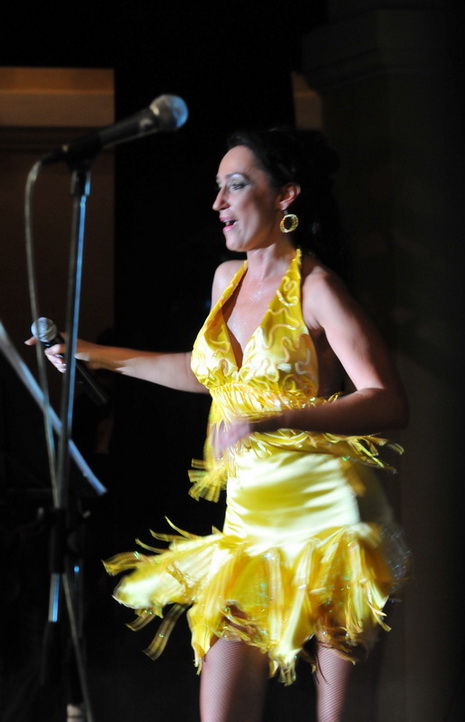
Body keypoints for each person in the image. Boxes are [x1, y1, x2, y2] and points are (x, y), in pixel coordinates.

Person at [26, 127, 410, 722]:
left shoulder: (316, 288)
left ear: (285, 196)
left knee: (340, 715)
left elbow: (387, 401)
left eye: (235, 186)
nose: (218, 203)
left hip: (330, 523)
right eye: (217, 188)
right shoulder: (225, 279)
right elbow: (209, 373)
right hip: (248, 528)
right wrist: (95, 354)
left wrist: (272, 418)